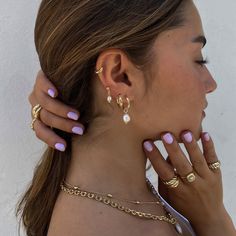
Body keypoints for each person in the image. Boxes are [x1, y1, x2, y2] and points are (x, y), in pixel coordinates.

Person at [15, 0, 236, 235]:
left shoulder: (125, 202)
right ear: (119, 75)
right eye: (198, 60)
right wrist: (214, 222)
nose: (211, 84)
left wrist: (209, 215)